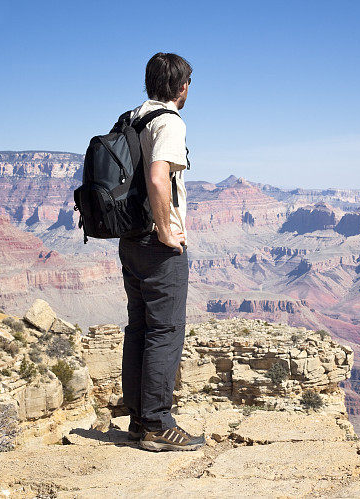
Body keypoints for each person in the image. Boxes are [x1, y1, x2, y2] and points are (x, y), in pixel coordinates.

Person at [118, 52, 203, 451]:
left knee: (139, 329)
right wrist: (168, 230)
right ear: (182, 87)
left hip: (130, 241)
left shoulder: (132, 117)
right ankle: (156, 425)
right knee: (165, 332)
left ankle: (138, 421)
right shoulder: (168, 121)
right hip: (156, 244)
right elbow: (157, 176)